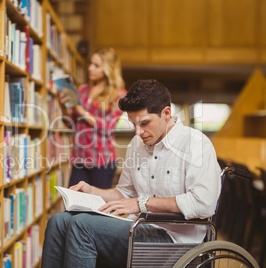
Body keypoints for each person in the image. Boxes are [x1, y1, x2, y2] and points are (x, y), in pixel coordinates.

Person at [42, 79, 222, 268]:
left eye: (144, 123)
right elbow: (124, 193)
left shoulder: (196, 144)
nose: (138, 132)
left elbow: (204, 204)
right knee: (58, 221)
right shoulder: (137, 145)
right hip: (140, 229)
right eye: (133, 124)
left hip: (177, 241)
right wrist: (93, 191)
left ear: (166, 113)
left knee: (82, 225)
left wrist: (141, 203)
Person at [59, 47, 126, 189]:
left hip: (102, 161)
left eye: (96, 66)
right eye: (90, 64)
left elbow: (108, 126)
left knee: (97, 207)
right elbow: (71, 124)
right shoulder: (83, 90)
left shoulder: (118, 95)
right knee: (73, 204)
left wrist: (80, 110)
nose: (90, 68)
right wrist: (64, 106)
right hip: (79, 158)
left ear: (108, 69)